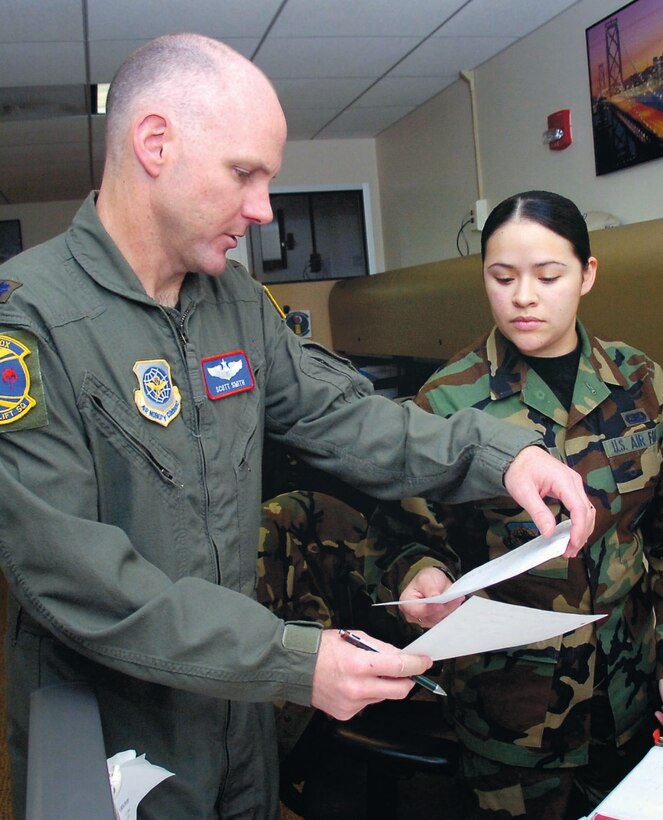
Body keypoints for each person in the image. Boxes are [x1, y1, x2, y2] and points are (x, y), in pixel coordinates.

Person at [0, 34, 594, 819]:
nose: (262, 209)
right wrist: (289, 657)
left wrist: (500, 452)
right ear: (154, 144)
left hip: (238, 707)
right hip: (114, 718)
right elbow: (74, 576)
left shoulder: (238, 304)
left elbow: (344, 418)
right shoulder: (29, 320)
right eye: (244, 173)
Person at [370, 190, 663, 818]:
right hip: (514, 713)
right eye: (502, 278)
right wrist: (420, 572)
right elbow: (397, 535)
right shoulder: (446, 403)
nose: (523, 296)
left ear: (586, 275)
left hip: (631, 692)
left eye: (547, 275)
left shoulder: (641, 382)